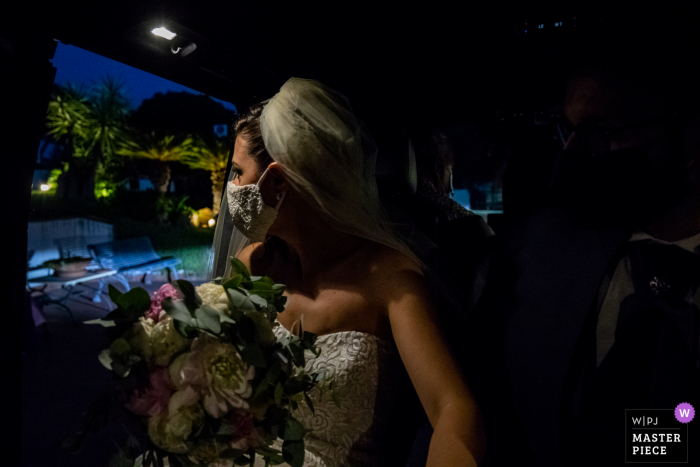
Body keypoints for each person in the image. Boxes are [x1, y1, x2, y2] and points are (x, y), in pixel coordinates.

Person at [212, 78, 486, 467]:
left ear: (275, 182)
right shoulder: (251, 263)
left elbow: (452, 411)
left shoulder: (389, 278)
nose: (232, 190)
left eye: (238, 173)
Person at [466, 49, 700, 466]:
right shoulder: (528, 257)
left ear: (692, 135)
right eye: (568, 131)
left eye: (602, 130)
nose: (573, 152)